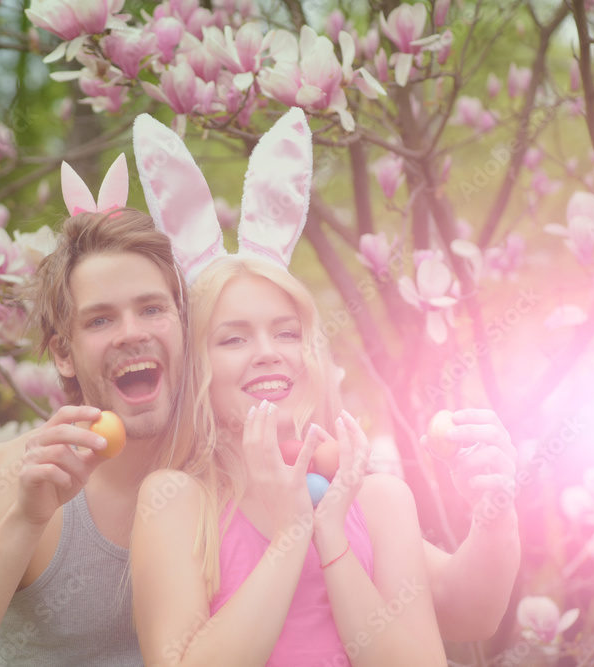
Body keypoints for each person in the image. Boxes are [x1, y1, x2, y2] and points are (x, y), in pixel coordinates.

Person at [129, 108, 519, 665]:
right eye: (233, 339)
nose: (268, 351)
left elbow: (459, 624)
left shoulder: (377, 499)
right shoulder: (176, 500)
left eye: (286, 333)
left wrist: (491, 510)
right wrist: (291, 536)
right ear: (197, 369)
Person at [0, 156, 195, 666]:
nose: (131, 333)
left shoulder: (226, 469)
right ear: (62, 352)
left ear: (182, 326)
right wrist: (25, 520)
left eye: (152, 308)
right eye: (100, 320)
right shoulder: (3, 475)